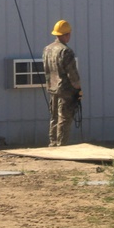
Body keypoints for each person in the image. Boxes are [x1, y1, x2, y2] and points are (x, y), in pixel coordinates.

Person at [42, 19, 82, 147]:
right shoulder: (66, 51)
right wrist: (78, 89)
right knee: (64, 119)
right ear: (66, 34)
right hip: (65, 91)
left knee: (54, 117)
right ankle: (61, 145)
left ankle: (53, 143)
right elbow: (72, 74)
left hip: (52, 88)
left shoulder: (47, 49)